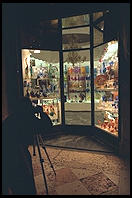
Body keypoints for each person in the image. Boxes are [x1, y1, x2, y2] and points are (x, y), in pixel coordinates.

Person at [2, 96, 53, 195]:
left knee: (12, 183)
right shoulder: (28, 119)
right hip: (19, 156)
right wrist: (41, 112)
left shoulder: (10, 119)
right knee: (25, 183)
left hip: (6, 155)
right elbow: (47, 126)